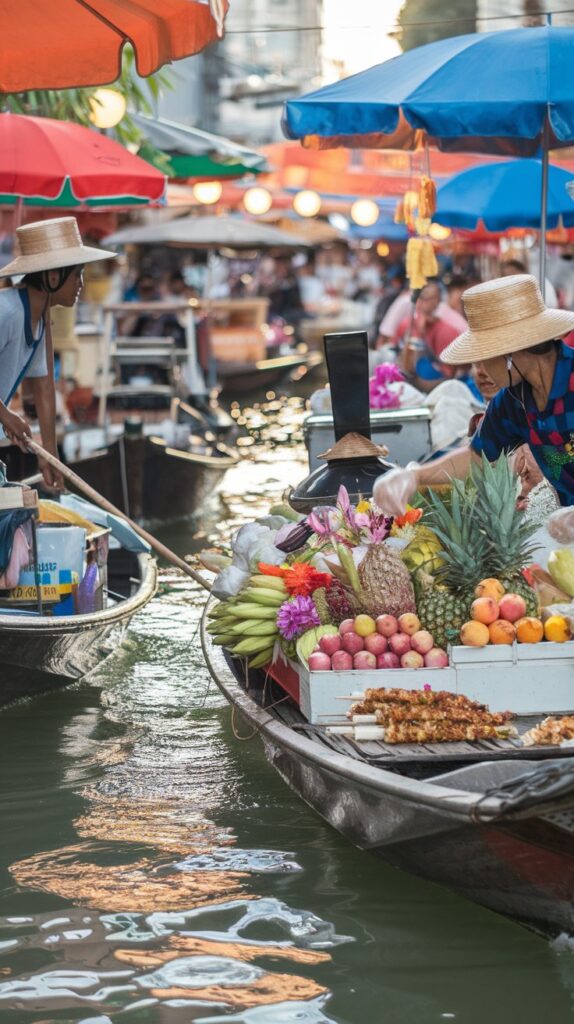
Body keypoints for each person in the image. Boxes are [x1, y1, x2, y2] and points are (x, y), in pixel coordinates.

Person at [373, 274, 574, 513]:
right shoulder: (514, 399)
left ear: (509, 352)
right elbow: (476, 457)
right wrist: (413, 476)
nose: (480, 369)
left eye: (483, 357)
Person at [0, 217, 115, 488]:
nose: (81, 284)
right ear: (53, 276)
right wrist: (6, 415)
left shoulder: (40, 319)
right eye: (77, 275)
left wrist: (50, 456)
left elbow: (43, 387)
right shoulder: (6, 311)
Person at [391, 280, 468, 392]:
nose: (422, 302)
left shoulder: (446, 330)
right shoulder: (406, 325)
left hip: (440, 389)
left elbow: (449, 376)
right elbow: (396, 360)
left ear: (437, 301)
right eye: (420, 297)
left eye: (427, 298)